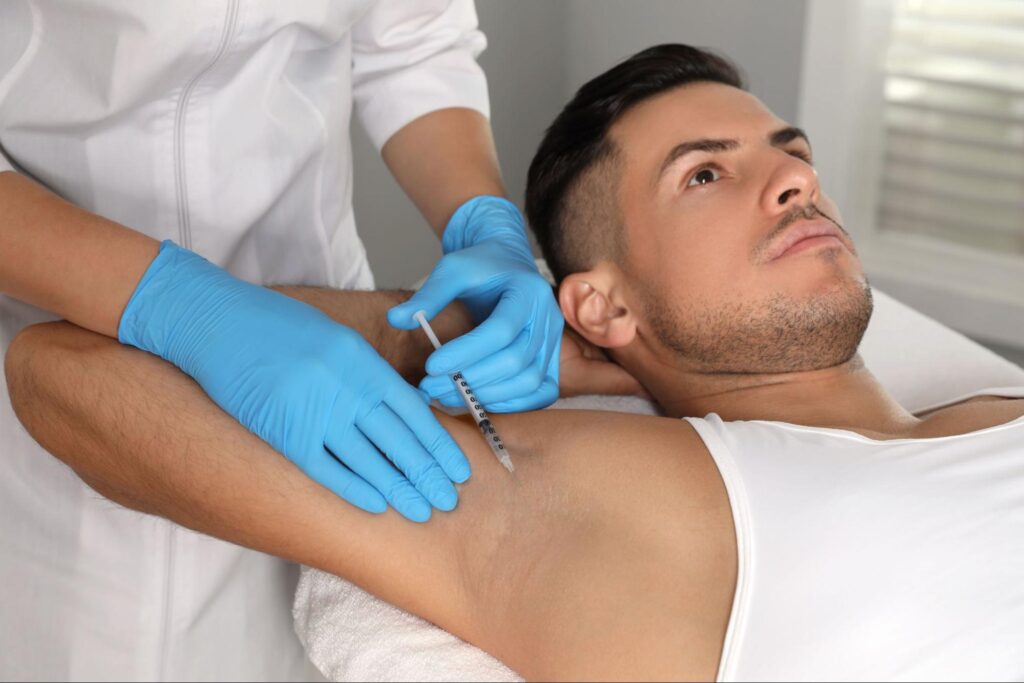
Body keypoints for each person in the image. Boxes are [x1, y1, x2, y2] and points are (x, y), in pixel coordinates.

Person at [8, 43, 1024, 680]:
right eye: (707, 172)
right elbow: (59, 368)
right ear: (599, 304)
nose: (795, 177)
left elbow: (414, 38)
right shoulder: (624, 496)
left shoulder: (988, 405)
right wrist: (391, 330)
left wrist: (482, 236)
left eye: (788, 150)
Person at [0, 2, 640, 679]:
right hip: (45, 303)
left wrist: (481, 221)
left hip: (325, 339)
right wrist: (173, 303)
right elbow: (57, 374)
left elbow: (413, 40)